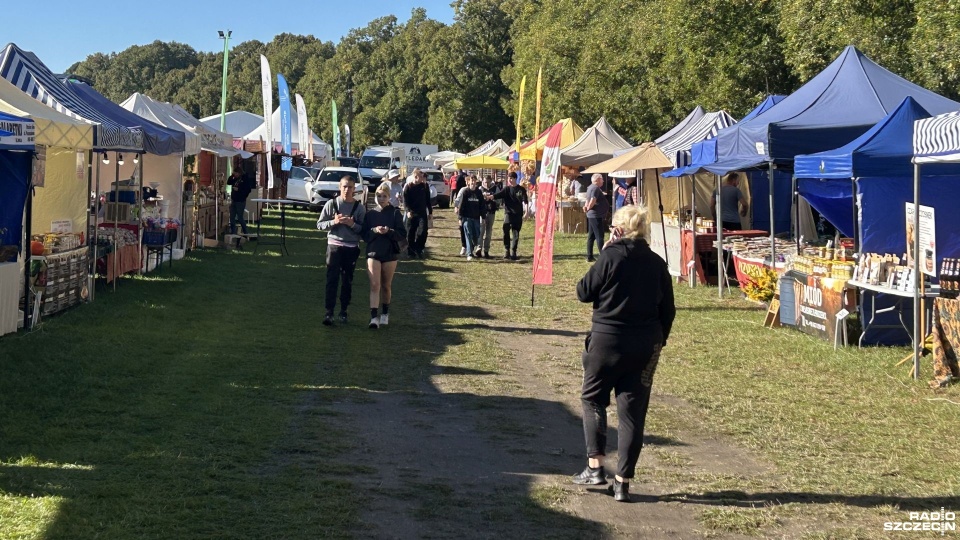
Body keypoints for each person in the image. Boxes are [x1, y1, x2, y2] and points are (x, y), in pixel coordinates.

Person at [571, 204, 676, 503]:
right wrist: (659, 341)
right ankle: (623, 482)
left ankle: (595, 466)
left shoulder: (610, 255)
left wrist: (606, 251)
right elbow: (668, 309)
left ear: (618, 228)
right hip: (645, 343)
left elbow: (583, 292)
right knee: (632, 413)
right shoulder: (657, 263)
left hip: (607, 340)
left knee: (593, 399)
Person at [317, 176, 366, 326]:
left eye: (350, 187)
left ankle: (343, 311)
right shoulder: (331, 204)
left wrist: (352, 224)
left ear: (354, 189)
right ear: (339, 187)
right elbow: (319, 225)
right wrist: (334, 222)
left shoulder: (359, 208)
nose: (347, 190)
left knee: (347, 281)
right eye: (345, 186)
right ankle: (329, 312)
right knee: (332, 280)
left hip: (351, 248)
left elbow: (364, 231)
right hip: (334, 246)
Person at [364, 183, 407, 329]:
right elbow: (365, 236)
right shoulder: (370, 214)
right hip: (373, 252)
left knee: (386, 286)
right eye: (378, 195)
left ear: (389, 197)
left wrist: (388, 231)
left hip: (390, 253)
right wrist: (375, 230)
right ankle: (373, 317)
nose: (381, 199)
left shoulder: (395, 213)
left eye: (384, 196)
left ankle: (385, 313)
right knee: (374, 285)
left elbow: (402, 234)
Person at [489, 171, 528, 260]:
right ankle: (507, 250)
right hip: (508, 213)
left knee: (516, 233)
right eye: (508, 178)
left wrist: (527, 212)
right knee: (505, 229)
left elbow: (525, 201)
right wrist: (490, 197)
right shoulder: (507, 189)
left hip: (518, 214)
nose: (509, 180)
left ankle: (513, 251)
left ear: (515, 179)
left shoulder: (521, 189)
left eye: (511, 178)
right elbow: (498, 195)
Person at [402, 168, 433, 258]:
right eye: (421, 177)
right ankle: (410, 251)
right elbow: (405, 201)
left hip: (422, 213)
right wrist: (407, 211)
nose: (423, 179)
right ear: (416, 177)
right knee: (410, 232)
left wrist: (430, 212)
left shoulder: (425, 186)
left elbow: (428, 201)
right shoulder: (408, 187)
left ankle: (419, 249)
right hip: (411, 213)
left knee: (423, 231)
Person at [455, 175, 487, 261]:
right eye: (471, 181)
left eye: (474, 181)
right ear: (468, 182)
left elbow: (482, 206)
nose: (473, 182)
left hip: (476, 218)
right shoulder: (466, 192)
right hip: (467, 218)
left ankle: (471, 248)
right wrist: (460, 218)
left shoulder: (479, 193)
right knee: (468, 234)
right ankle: (469, 253)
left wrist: (483, 217)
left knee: (476, 236)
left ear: (476, 182)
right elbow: (461, 206)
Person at [583, 173, 610, 262]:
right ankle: (603, 257)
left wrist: (586, 207)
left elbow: (587, 200)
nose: (603, 180)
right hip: (595, 215)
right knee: (600, 236)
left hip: (592, 215)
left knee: (591, 236)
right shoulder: (595, 188)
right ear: (597, 180)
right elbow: (592, 200)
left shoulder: (590, 187)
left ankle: (589, 256)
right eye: (602, 179)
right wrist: (588, 208)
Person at [227, 168, 254, 235]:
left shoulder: (245, 179)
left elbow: (248, 190)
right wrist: (232, 176)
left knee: (240, 217)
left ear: (239, 173)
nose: (235, 175)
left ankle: (245, 231)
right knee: (232, 217)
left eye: (236, 173)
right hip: (234, 200)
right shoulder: (235, 178)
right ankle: (233, 232)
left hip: (240, 200)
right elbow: (229, 182)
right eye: (234, 173)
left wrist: (238, 189)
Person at [479, 175, 499, 259]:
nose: (486, 184)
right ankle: (479, 249)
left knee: (489, 232)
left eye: (488, 182)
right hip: (482, 213)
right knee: (481, 231)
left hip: (491, 212)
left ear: (491, 181)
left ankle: (486, 250)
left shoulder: (495, 189)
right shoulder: (480, 189)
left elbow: (499, 200)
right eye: (485, 182)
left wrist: (492, 198)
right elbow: (478, 200)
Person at [454, 170, 468, 255]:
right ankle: (464, 246)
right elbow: (458, 199)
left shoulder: (477, 191)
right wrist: (456, 206)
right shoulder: (463, 190)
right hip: (463, 212)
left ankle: (470, 247)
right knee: (462, 229)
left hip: (473, 213)